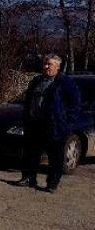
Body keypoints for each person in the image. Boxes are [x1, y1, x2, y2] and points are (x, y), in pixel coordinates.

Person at [14, 54, 81, 193]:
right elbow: (28, 100)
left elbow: (74, 104)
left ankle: (52, 183)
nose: (46, 66)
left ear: (57, 66)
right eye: (45, 63)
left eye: (49, 64)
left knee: (55, 156)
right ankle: (28, 178)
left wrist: (67, 123)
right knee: (30, 153)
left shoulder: (64, 82)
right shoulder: (37, 80)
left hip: (54, 125)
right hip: (34, 123)